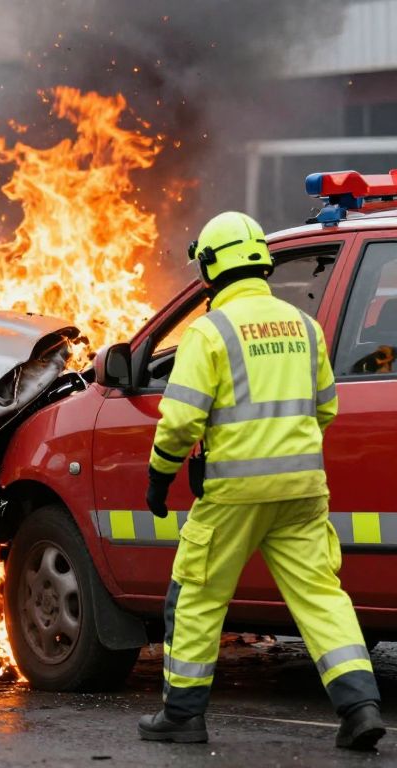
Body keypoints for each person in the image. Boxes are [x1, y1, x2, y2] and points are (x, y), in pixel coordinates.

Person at [139, 211, 386, 751]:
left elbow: (181, 421)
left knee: (198, 594)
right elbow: (325, 409)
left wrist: (159, 477)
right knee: (320, 595)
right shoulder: (304, 326)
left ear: (210, 267)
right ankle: (360, 707)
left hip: (233, 495)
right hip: (301, 491)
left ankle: (182, 715)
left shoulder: (209, 332)